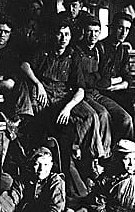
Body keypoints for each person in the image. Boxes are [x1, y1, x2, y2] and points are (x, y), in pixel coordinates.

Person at [20, 17, 109, 198]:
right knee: (52, 125)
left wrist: (68, 107)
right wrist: (37, 84)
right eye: (59, 34)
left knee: (91, 116)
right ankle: (68, 162)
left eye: (67, 34)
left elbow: (80, 89)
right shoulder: (43, 51)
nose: (63, 38)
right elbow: (24, 65)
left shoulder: (73, 55)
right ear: (53, 35)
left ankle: (89, 161)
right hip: (45, 95)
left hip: (64, 96)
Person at [75, 15, 133, 144]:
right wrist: (116, 80)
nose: (93, 35)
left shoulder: (98, 50)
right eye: (89, 31)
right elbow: (96, 79)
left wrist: (121, 82)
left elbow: (127, 76)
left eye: (96, 32)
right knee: (102, 115)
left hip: (97, 92)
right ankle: (103, 156)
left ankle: (128, 151)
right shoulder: (85, 50)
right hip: (85, 93)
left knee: (127, 117)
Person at [98, 12, 135, 137]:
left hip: (116, 90)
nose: (123, 33)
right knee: (130, 110)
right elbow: (102, 80)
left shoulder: (123, 50)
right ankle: (131, 143)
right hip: (102, 93)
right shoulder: (100, 47)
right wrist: (119, 80)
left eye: (127, 29)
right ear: (112, 27)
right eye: (120, 28)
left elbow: (127, 77)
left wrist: (119, 83)